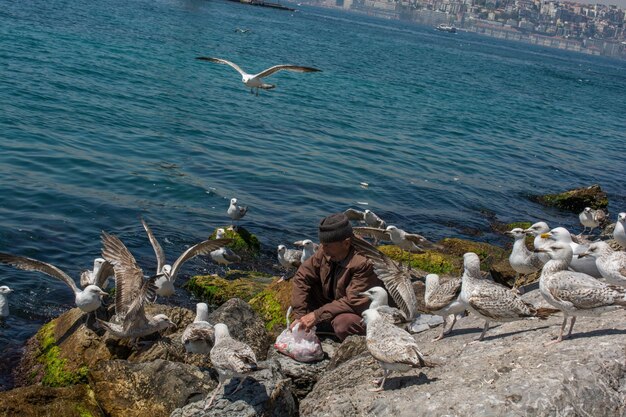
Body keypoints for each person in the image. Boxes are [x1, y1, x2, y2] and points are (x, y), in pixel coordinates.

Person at [290, 212, 383, 341]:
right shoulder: (325, 250)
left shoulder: (364, 262)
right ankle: (323, 324)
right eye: (322, 244)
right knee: (304, 291)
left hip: (356, 309)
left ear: (346, 243)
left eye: (327, 245)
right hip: (332, 301)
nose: (323, 249)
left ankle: (352, 334)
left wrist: (316, 315)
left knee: (343, 324)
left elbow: (354, 301)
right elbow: (302, 276)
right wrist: (300, 315)